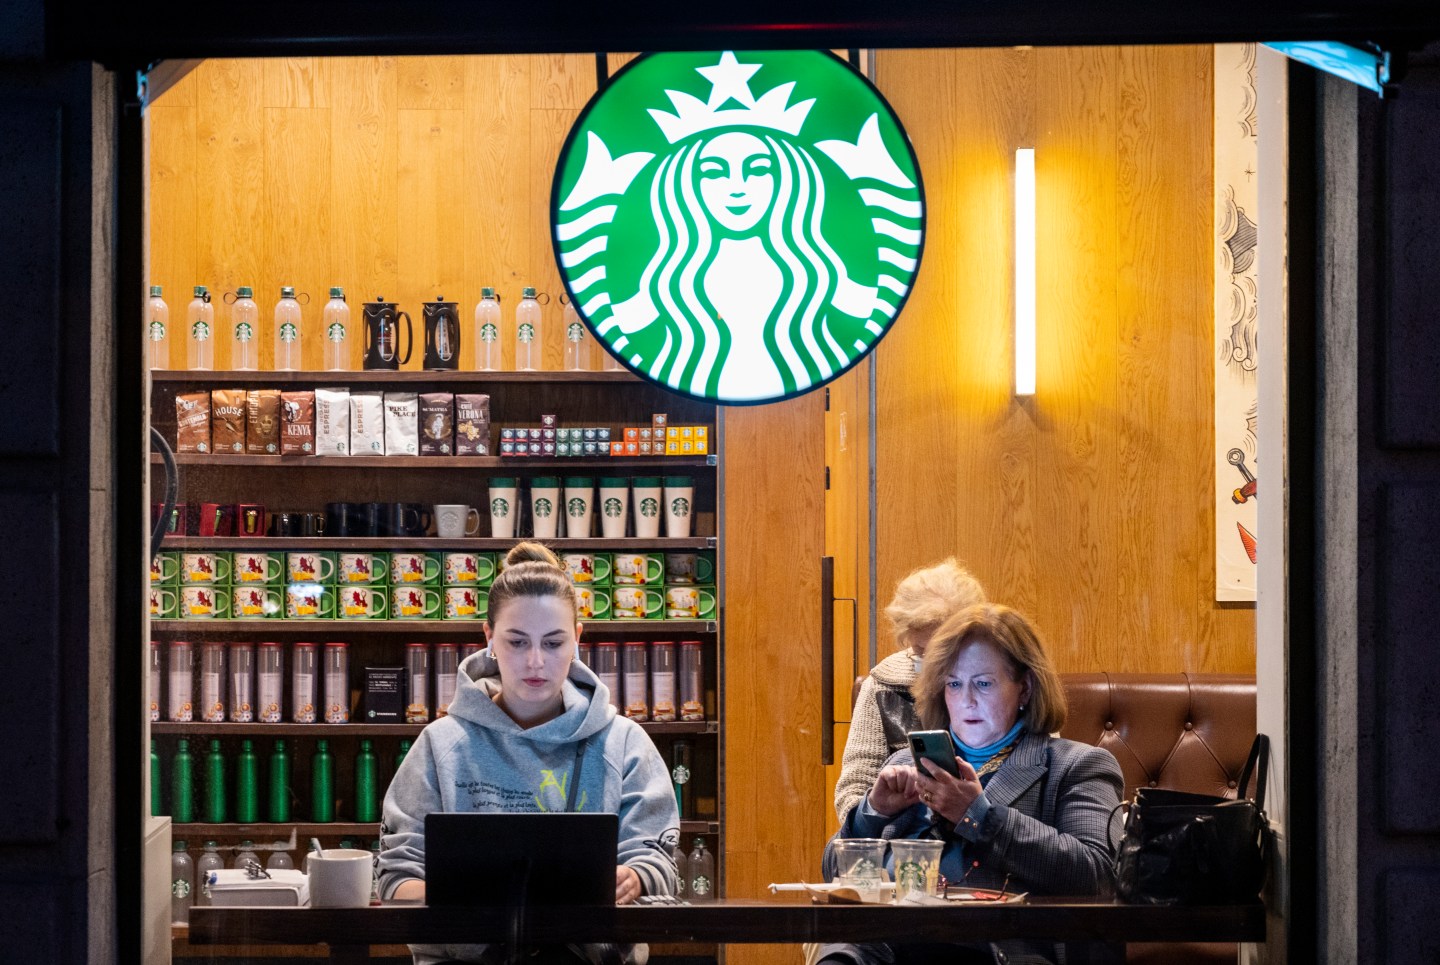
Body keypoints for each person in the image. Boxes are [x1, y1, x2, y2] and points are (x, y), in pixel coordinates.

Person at [378, 542, 679, 965]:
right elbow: (396, 877)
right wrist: (471, 905)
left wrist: (634, 879)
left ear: (577, 639)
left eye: (553, 643)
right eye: (517, 642)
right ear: (489, 639)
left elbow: (657, 863)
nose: (535, 662)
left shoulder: (624, 743)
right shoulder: (439, 745)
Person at [816, 604, 1124, 965]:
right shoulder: (905, 764)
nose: (967, 700)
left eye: (983, 683)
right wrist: (871, 814)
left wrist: (979, 816)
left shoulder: (1076, 765)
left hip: (998, 951)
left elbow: (1099, 878)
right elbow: (834, 874)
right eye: (954, 684)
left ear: (1024, 689)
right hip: (884, 950)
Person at [833, 558, 986, 824]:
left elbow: (1043, 777)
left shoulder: (1009, 683)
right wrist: (877, 815)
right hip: (905, 842)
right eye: (922, 653)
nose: (935, 669)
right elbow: (853, 791)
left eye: (948, 652)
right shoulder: (882, 685)